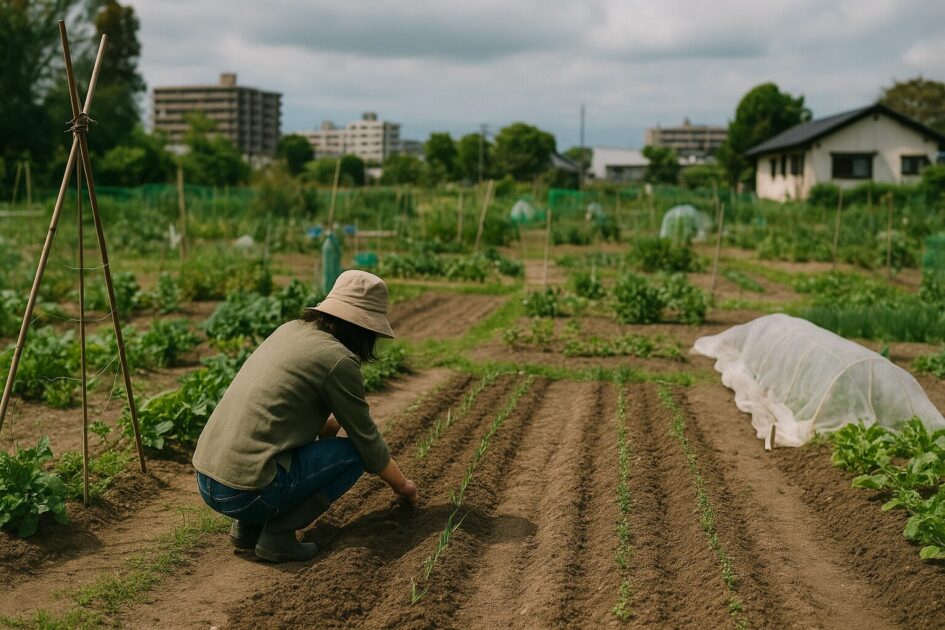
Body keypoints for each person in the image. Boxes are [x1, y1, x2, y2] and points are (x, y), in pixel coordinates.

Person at [192, 270, 419, 563]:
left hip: (207, 479)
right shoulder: (337, 359)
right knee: (354, 455)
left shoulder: (289, 330)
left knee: (269, 450)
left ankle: (247, 528)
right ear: (364, 330)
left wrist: (325, 428)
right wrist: (403, 486)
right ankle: (277, 535)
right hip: (247, 494)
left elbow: (275, 416)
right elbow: (369, 443)